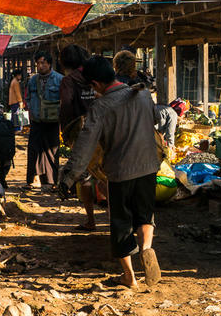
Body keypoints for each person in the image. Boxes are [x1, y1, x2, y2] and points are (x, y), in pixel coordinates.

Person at [58, 56, 162, 288]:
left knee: (121, 224)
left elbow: (84, 146)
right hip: (148, 167)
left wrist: (68, 177)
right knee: (145, 216)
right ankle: (146, 249)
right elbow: (156, 119)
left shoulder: (101, 107)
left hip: (120, 171)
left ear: (95, 84)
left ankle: (130, 277)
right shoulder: (143, 94)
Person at [58, 44, 97, 230]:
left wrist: (65, 131)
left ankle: (91, 219)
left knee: (85, 176)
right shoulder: (94, 75)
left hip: (81, 133)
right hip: (103, 129)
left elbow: (66, 106)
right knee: (104, 173)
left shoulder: (68, 80)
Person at [25, 52, 63, 189]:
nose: (40, 66)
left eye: (43, 63)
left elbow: (63, 100)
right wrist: (32, 111)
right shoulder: (33, 80)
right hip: (36, 121)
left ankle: (52, 182)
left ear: (49, 64)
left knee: (52, 151)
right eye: (38, 63)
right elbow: (28, 98)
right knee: (33, 150)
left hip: (52, 121)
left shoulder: (59, 79)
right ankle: (31, 180)